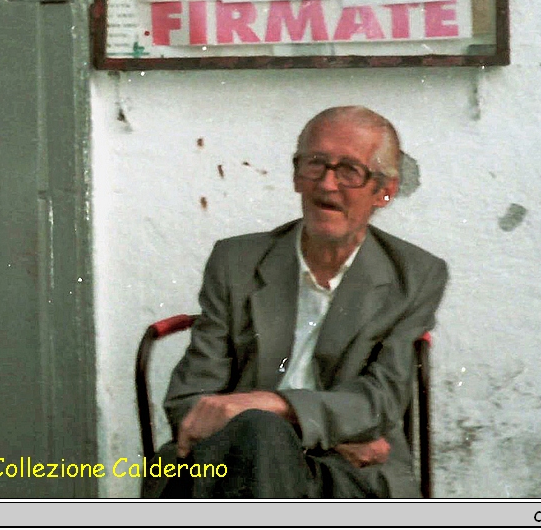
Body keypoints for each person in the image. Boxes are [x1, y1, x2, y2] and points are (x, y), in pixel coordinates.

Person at [147, 106, 447, 498]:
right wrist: (309, 430)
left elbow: (380, 401)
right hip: (236, 464)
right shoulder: (236, 262)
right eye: (315, 164)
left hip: (347, 476)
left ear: (384, 190)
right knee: (259, 436)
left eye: (349, 171)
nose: (327, 184)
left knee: (262, 432)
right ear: (295, 175)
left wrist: (272, 404)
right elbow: (190, 400)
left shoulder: (415, 274)